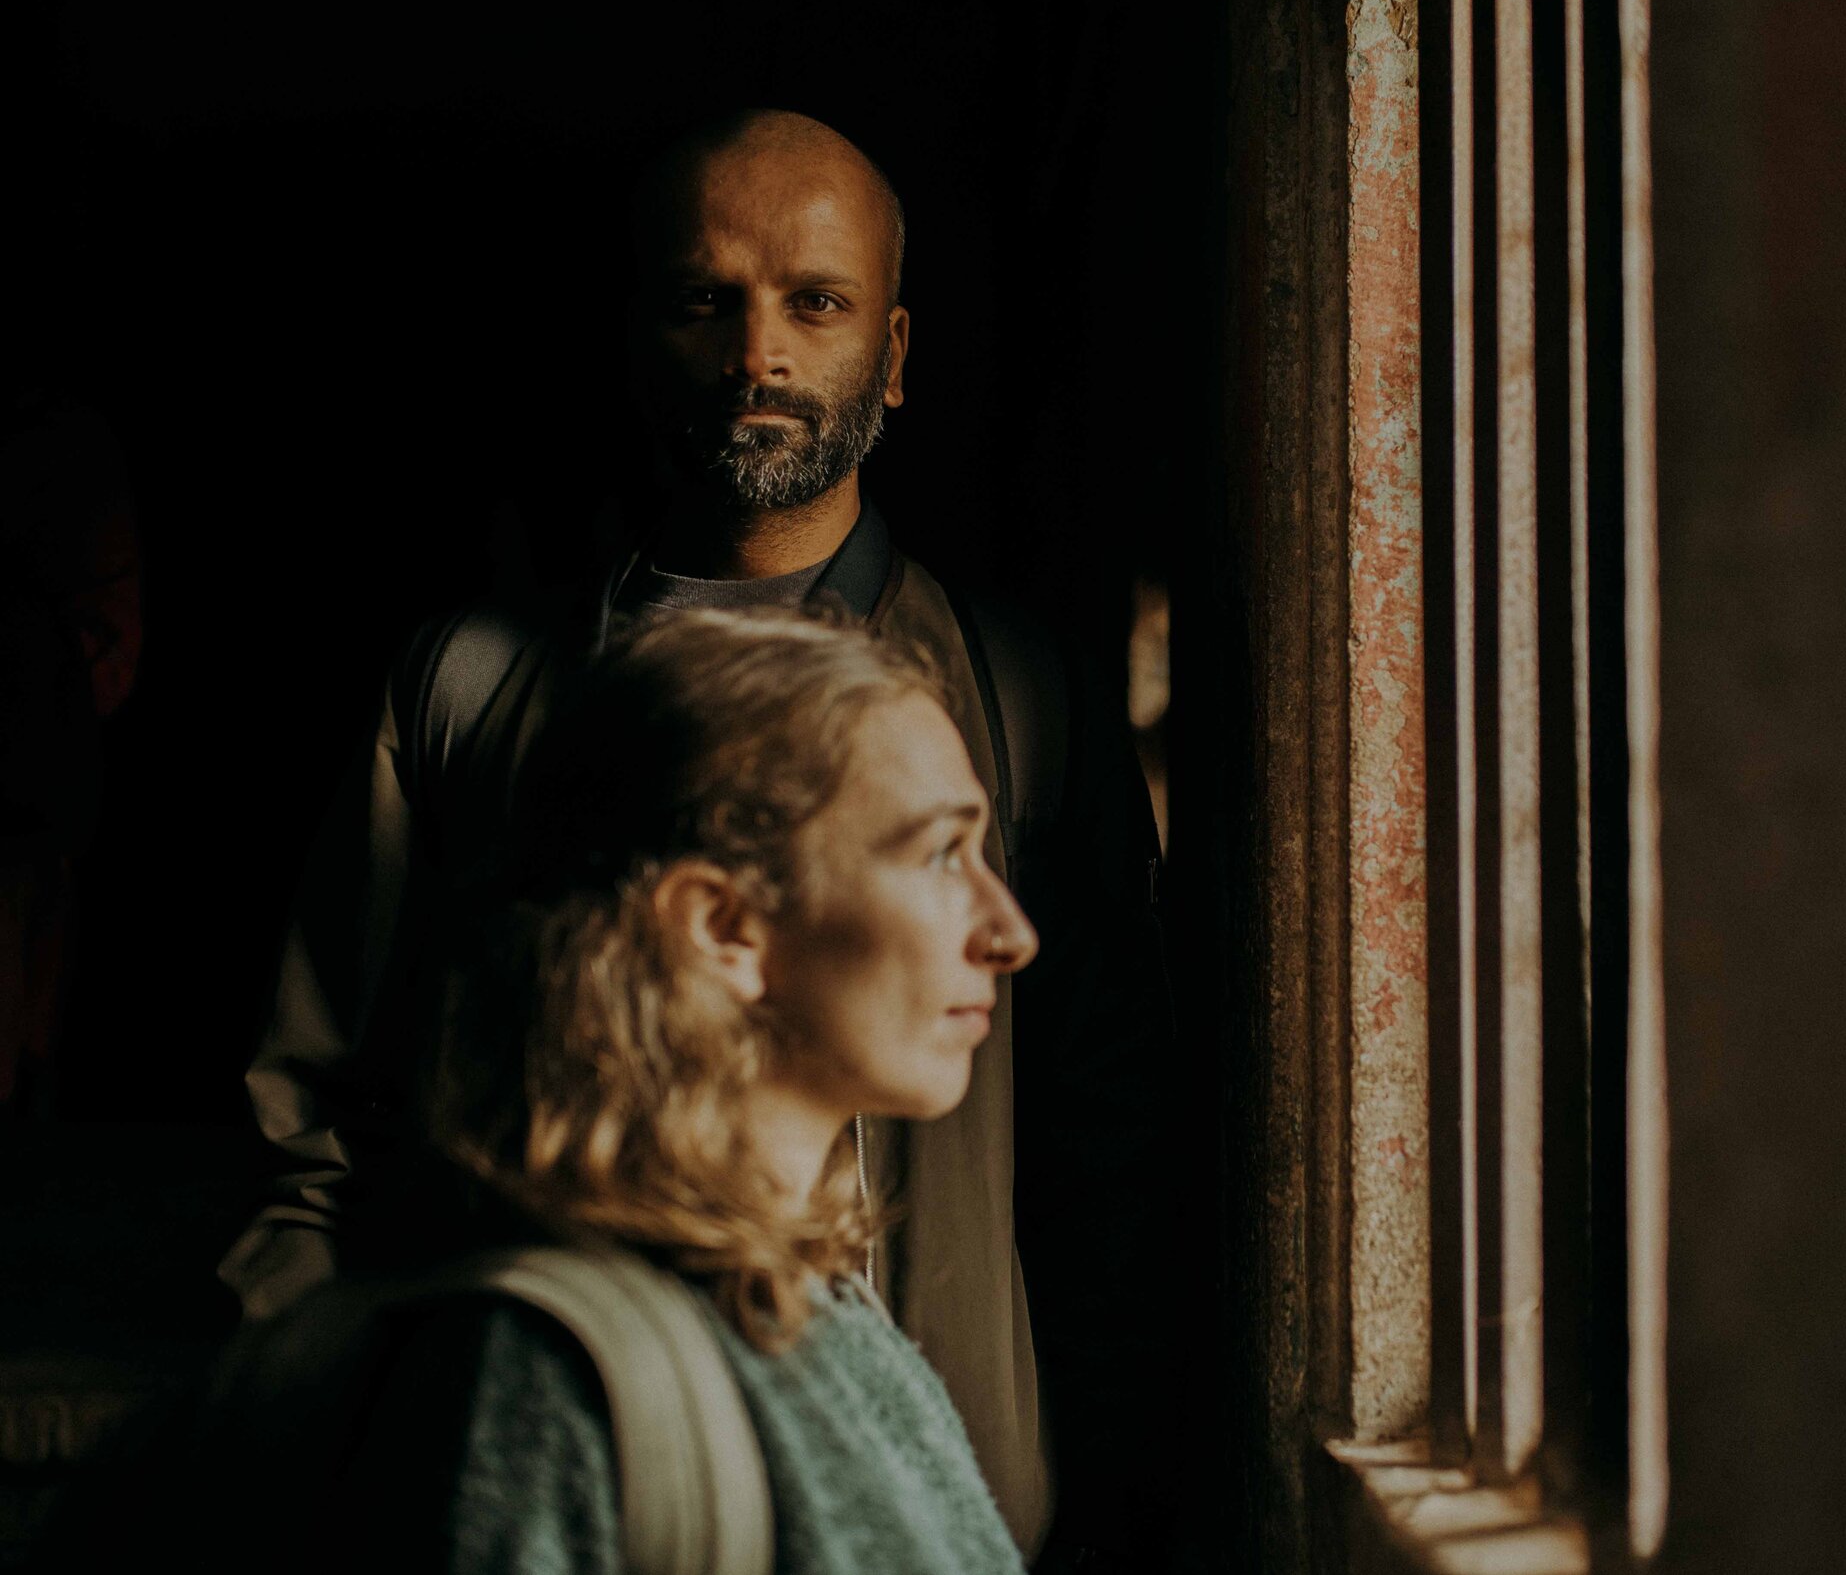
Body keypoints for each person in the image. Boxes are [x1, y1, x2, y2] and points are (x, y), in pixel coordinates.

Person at [222, 110, 1177, 1566]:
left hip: (943, 1483)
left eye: (815, 301)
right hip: (583, 1456)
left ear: (897, 353)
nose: (758, 356)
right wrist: (329, 1439)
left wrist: (1095, 1499)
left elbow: (1111, 1140)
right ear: (634, 336)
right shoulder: (473, 686)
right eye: (703, 299)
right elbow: (324, 1117)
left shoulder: (1017, 693)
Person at [373, 607, 1036, 1574]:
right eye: (942, 853)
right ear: (723, 924)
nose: (1009, 930)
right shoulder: (552, 1390)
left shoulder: (831, 1318)